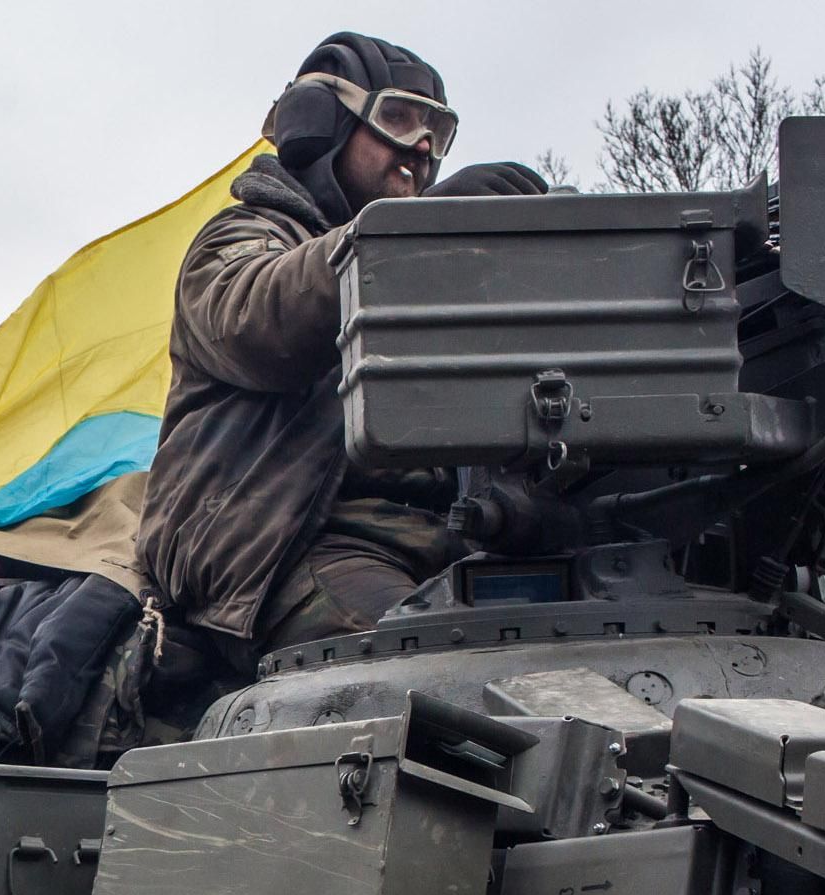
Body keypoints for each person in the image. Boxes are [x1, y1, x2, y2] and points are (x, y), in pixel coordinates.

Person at [135, 33, 547, 684]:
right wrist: (407, 236)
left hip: (442, 545)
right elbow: (258, 319)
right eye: (400, 119)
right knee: (445, 670)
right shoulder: (243, 238)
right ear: (323, 127)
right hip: (287, 551)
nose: (423, 148)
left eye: (439, 133)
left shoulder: (430, 277)